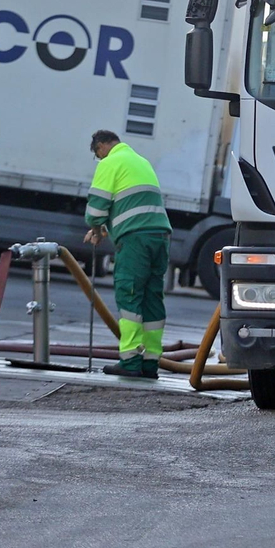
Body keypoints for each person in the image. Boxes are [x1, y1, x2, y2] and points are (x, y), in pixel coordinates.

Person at [84, 130, 172, 379]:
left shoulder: (111, 162)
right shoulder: (140, 161)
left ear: (101, 146)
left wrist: (95, 228)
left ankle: (131, 361)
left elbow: (96, 208)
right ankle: (150, 362)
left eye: (97, 154)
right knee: (152, 297)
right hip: (160, 236)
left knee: (130, 294)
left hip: (136, 239)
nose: (99, 158)